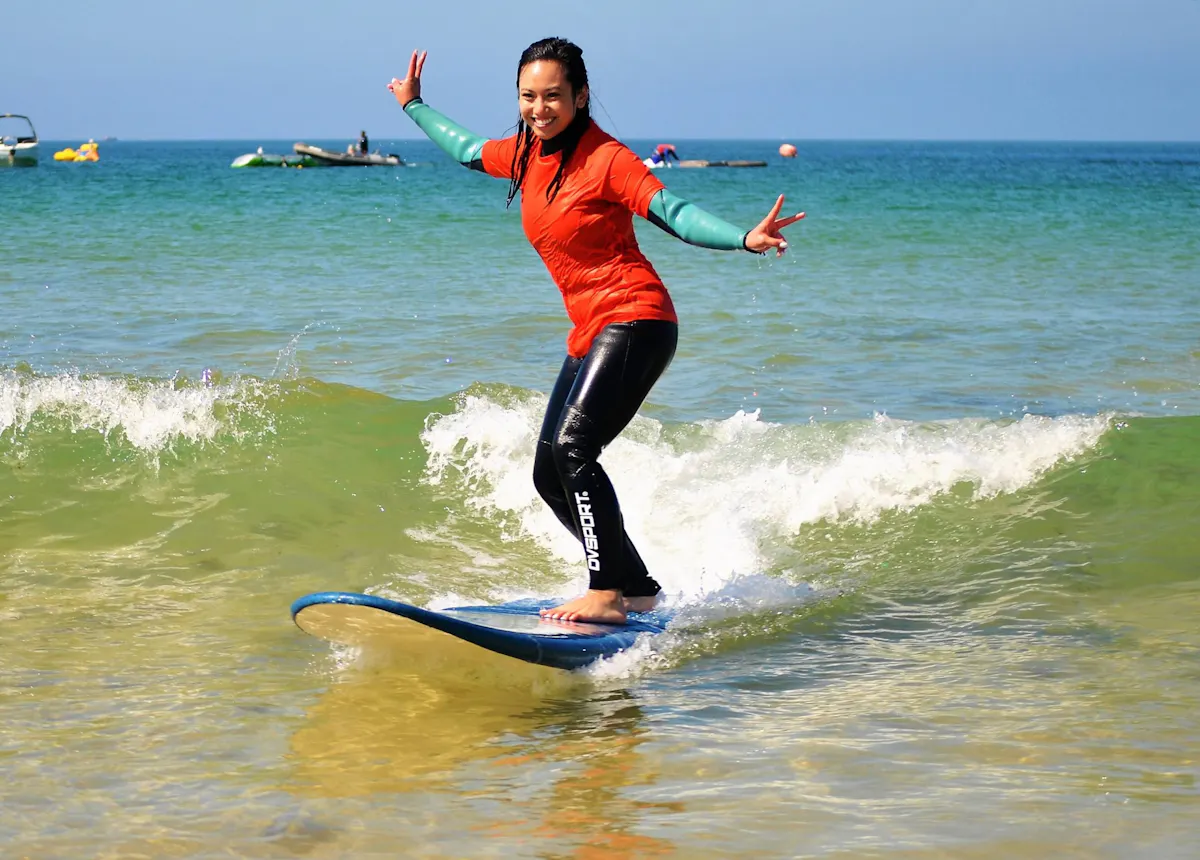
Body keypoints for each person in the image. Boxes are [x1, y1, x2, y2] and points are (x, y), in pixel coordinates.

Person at [388, 39, 803, 624]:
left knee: (574, 450)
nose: (539, 108)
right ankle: (635, 586)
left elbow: (674, 212)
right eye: (528, 96)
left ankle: (604, 591)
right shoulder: (527, 153)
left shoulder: (608, 159)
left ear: (581, 97)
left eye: (553, 95)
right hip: (591, 329)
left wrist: (743, 237)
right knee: (547, 471)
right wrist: (414, 105)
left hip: (635, 318)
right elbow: (468, 149)